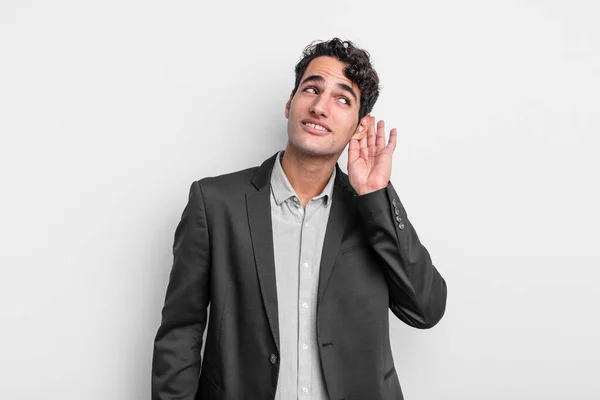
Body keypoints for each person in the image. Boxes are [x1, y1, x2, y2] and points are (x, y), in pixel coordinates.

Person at [152, 38, 447, 400]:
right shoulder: (214, 203)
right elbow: (181, 331)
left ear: (360, 127)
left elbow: (425, 309)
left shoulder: (370, 210)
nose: (321, 107)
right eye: (312, 89)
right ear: (290, 104)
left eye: (343, 99)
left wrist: (375, 196)